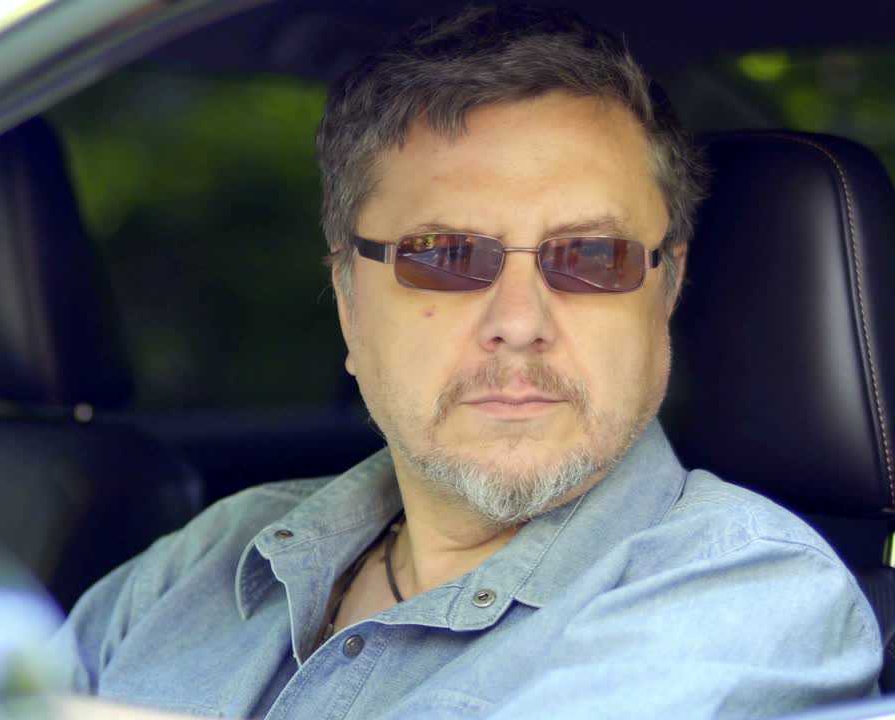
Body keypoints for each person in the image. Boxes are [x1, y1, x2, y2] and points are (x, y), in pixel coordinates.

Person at [47, 5, 882, 718]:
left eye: (592, 255)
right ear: (347, 298)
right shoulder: (213, 558)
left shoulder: (745, 602)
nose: (518, 323)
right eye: (445, 255)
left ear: (665, 291)